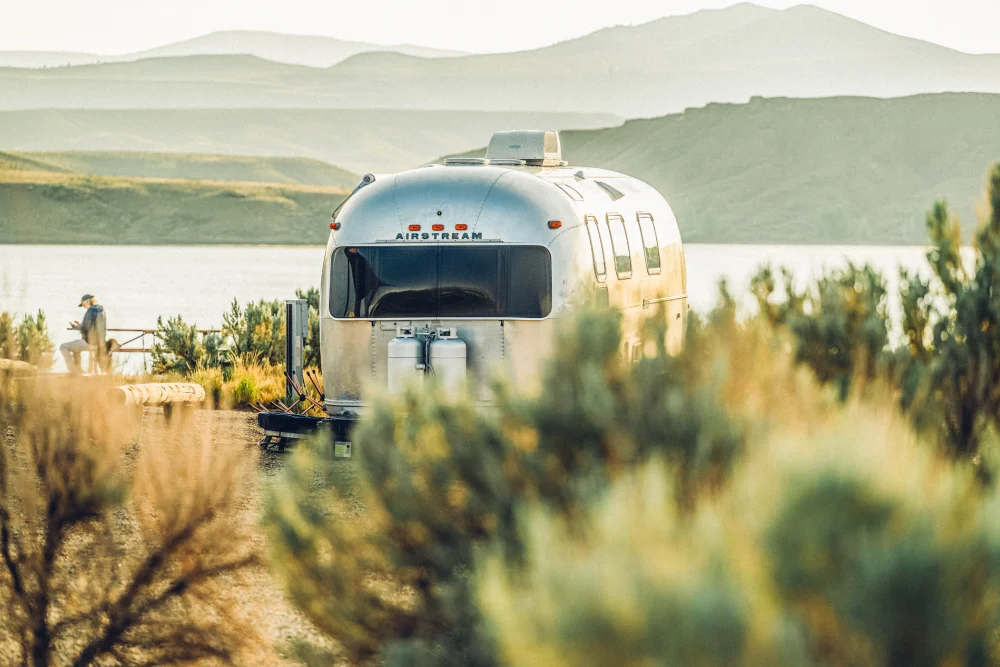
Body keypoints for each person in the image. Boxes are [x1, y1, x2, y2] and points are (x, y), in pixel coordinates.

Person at [60, 294, 107, 375]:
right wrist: (81, 325)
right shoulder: (102, 311)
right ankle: (79, 370)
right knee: (76, 345)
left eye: (84, 304)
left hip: (89, 343)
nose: (84, 307)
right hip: (100, 344)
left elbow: (85, 327)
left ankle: (74, 372)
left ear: (88, 301)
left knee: (63, 347)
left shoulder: (90, 311)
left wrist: (75, 326)